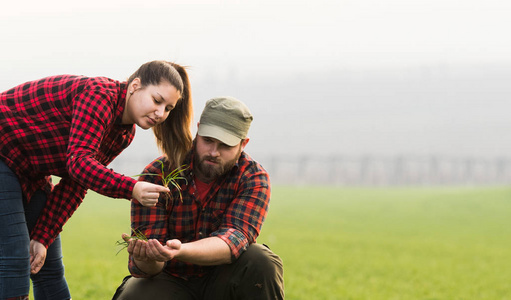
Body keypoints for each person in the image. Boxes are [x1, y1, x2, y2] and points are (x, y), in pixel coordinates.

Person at [0, 60, 194, 300]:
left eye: (168, 108)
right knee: (16, 257)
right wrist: (132, 188)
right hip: (3, 152)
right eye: (157, 100)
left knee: (46, 262)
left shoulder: (124, 133)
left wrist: (42, 235)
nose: (161, 113)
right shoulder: (99, 97)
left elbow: (77, 182)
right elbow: (79, 162)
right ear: (135, 86)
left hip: (30, 172)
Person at [113, 96, 284, 300]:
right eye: (208, 140)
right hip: (171, 278)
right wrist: (147, 257)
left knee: (261, 260)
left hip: (223, 279)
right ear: (199, 129)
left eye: (225, 146)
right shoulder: (157, 174)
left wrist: (179, 250)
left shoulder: (252, 178)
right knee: (134, 294)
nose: (213, 152)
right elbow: (149, 269)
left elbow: (233, 239)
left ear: (243, 144)